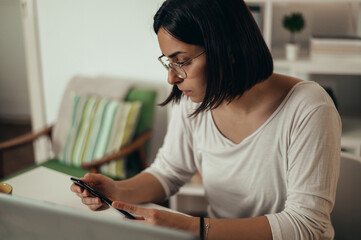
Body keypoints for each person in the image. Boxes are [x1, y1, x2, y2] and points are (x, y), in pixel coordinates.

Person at [71, 0, 341, 239]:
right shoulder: (193, 102)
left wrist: (194, 227)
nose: (172, 78)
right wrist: (117, 190)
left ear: (229, 50)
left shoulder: (309, 107)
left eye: (183, 61)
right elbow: (169, 171)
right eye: (169, 62)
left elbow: (306, 226)